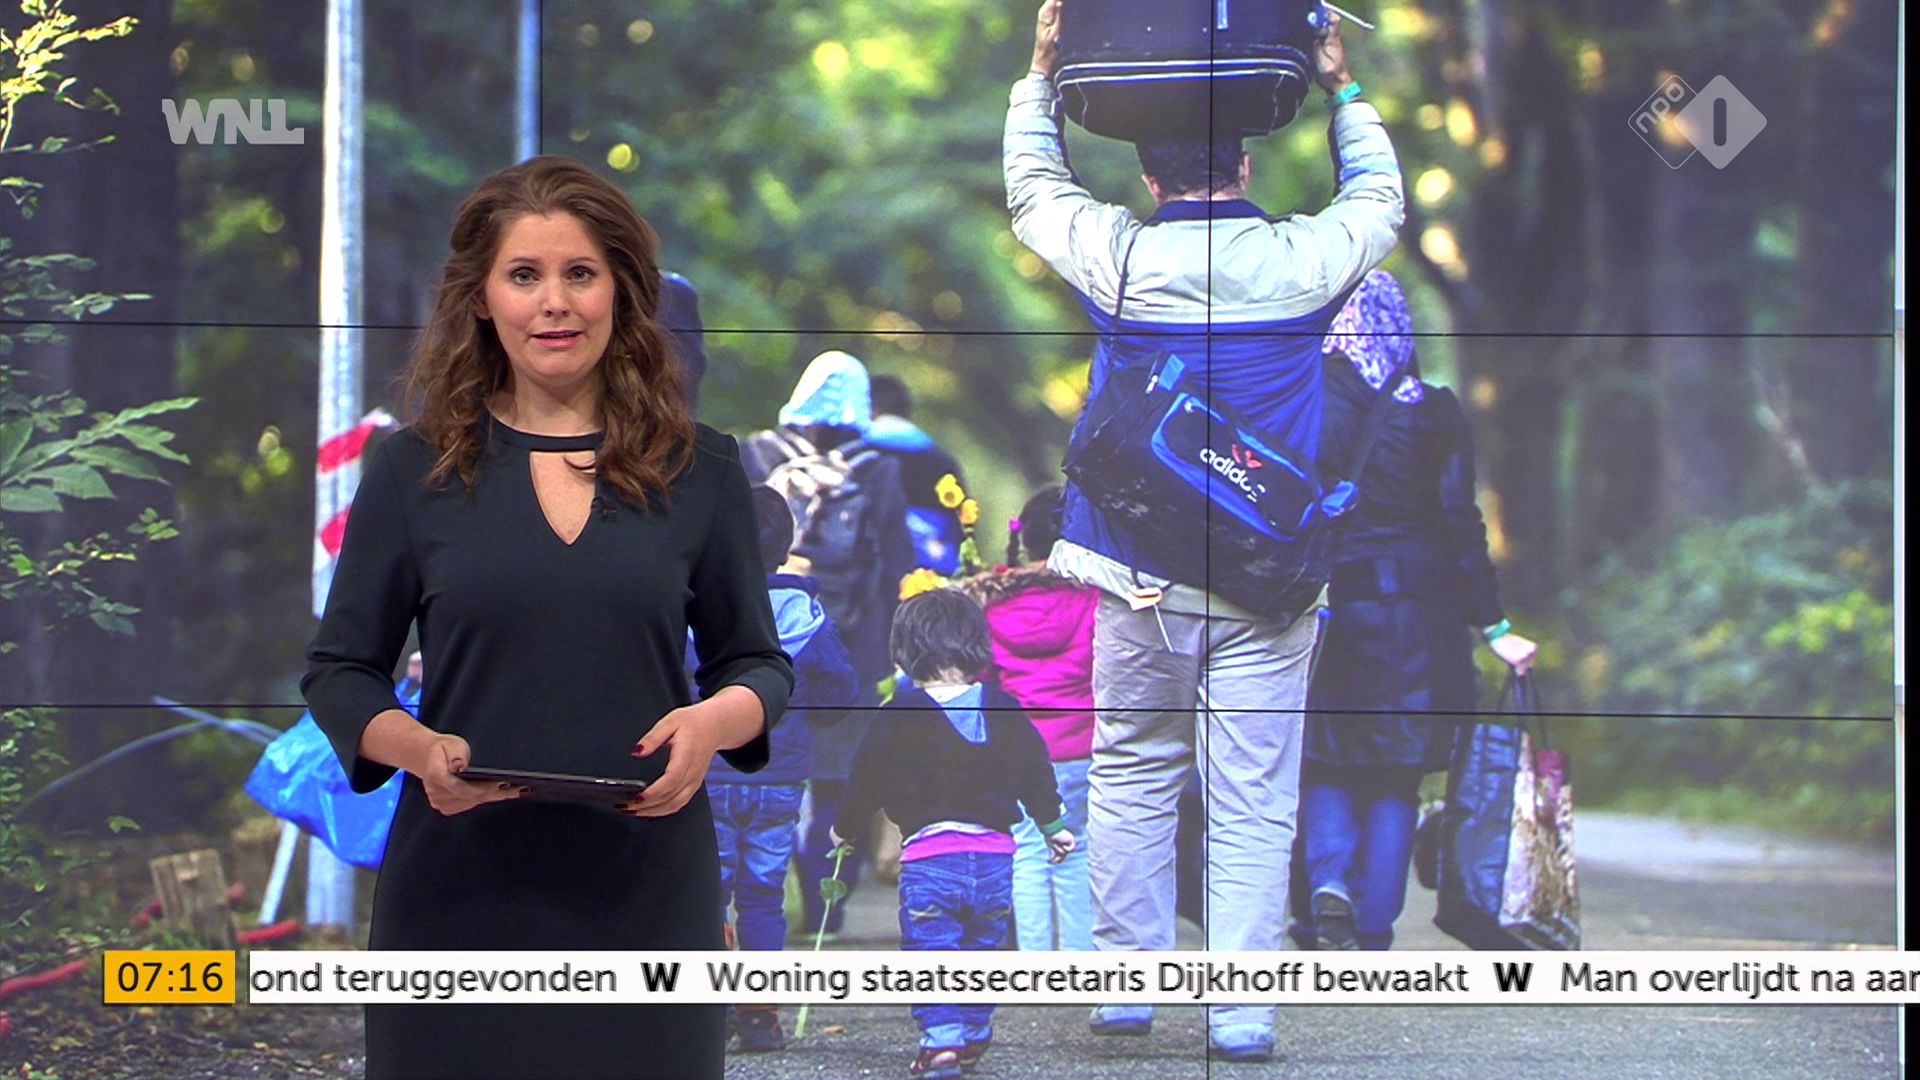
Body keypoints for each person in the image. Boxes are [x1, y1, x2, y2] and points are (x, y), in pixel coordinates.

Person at [302, 155, 793, 1080]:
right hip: (458, 894)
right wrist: (417, 750)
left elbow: (758, 665)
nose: (555, 303)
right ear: (483, 299)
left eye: (580, 274)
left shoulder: (706, 470)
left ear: (622, 292)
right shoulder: (412, 471)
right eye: (524, 275)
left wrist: (711, 725)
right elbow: (341, 671)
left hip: (649, 893)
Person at [1006, 0, 1404, 1061]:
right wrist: (1342, 87)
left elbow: (1035, 191)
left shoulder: (1124, 260)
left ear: (1150, 177)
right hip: (1267, 580)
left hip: (1136, 569)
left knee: (1135, 770)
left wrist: (1040, 74)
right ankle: (1240, 1010)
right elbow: (1380, 200)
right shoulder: (1305, 260)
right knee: (1253, 795)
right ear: (1246, 164)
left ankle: (1126, 990)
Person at [1296, 270, 1538, 951]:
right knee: (1397, 774)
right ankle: (1374, 928)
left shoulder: (1306, 399)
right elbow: (1461, 521)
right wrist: (1493, 625)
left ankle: (1329, 882)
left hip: (1330, 610)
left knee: (1325, 758)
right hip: (1420, 621)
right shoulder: (1435, 410)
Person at [834, 588, 1076, 1080]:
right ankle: (974, 1027)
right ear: (977, 644)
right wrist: (1053, 826)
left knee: (932, 948)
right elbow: (1035, 770)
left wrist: (846, 830)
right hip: (994, 860)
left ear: (904, 651)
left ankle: (942, 1040)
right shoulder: (1004, 707)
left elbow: (865, 780)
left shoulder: (898, 713)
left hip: (930, 861)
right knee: (983, 947)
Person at [708, 485, 861, 1052]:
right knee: (762, 895)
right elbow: (840, 692)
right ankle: (761, 1016)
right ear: (786, 545)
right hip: (780, 778)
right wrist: (806, 714)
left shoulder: (700, 607)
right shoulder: (808, 614)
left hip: (709, 775)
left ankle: (709, 1011)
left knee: (707, 894)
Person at [959, 485, 1097, 951]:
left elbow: (981, 678)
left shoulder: (993, 605)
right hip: (1080, 747)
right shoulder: (1092, 601)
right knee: (1077, 849)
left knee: (1029, 854)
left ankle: (1034, 959)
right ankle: (1079, 961)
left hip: (1017, 748)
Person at [743, 350, 918, 689]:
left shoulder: (757, 454)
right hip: (853, 632)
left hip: (763, 619)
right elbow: (897, 563)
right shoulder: (879, 469)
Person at [866, 374, 969, 574]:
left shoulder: (860, 453)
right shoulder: (940, 460)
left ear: (870, 408)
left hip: (877, 567)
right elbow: (961, 524)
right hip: (932, 566)